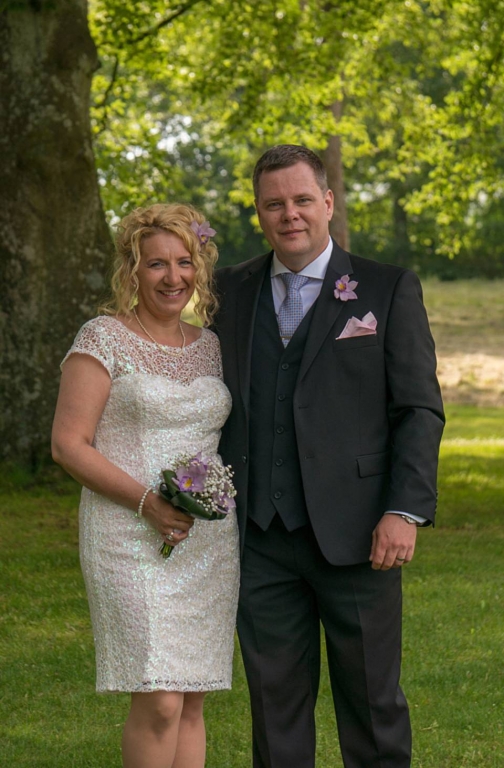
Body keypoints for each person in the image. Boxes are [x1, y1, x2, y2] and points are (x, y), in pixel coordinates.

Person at [214, 145, 444, 768]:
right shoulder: (228, 289)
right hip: (260, 538)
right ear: (259, 212)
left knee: (373, 706)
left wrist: (404, 509)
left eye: (301, 200)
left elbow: (418, 410)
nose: (289, 214)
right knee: (274, 713)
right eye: (273, 204)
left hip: (361, 533)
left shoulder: (387, 287)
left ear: (327, 202)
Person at [52, 203, 239, 768]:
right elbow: (69, 444)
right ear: (132, 270)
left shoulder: (212, 345)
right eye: (156, 264)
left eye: (184, 262)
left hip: (206, 542)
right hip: (127, 533)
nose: (172, 277)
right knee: (159, 699)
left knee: (192, 699)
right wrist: (148, 503)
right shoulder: (103, 337)